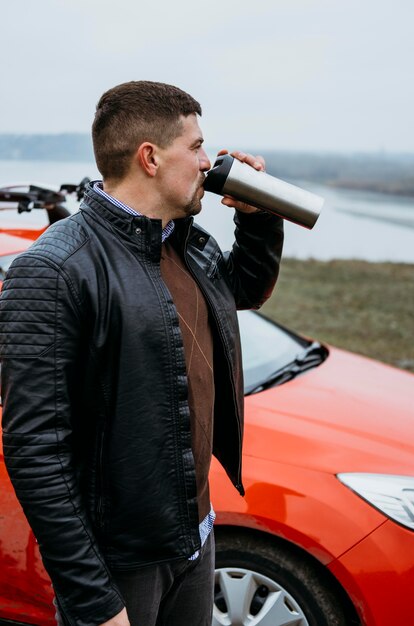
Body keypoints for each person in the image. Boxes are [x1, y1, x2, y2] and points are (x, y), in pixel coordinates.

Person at [0, 81, 284, 626]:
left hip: (195, 539)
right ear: (150, 157)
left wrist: (257, 215)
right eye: (197, 146)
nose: (209, 161)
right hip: (118, 562)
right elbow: (35, 449)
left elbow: (243, 289)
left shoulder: (186, 242)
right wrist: (94, 599)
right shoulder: (56, 269)